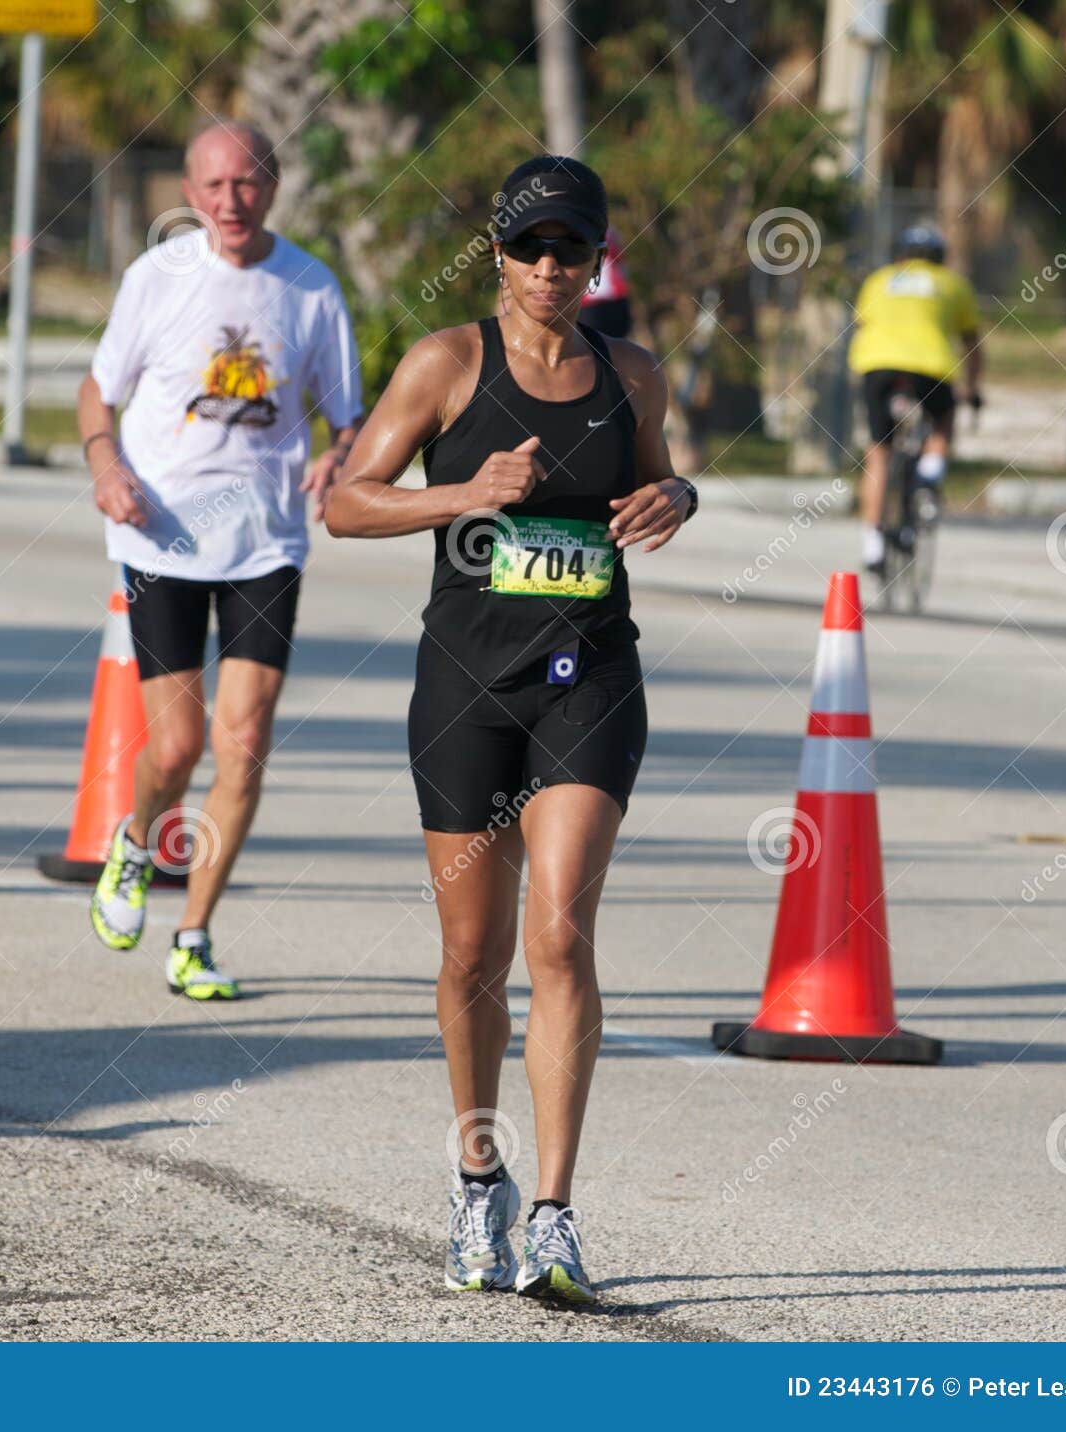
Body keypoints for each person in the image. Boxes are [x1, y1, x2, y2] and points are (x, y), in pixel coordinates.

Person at [325, 156, 696, 1303]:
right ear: (498, 253)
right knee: (470, 956)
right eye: (531, 248)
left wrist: (676, 500)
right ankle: (479, 1172)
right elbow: (342, 500)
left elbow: (661, 481)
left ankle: (554, 1213)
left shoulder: (631, 373)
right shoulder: (445, 364)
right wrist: (460, 494)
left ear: (595, 260)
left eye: (571, 250)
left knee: (559, 935)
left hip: (589, 674)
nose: (550, 269)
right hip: (465, 685)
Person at [79, 121, 363, 1000]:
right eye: (212, 186)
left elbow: (348, 415)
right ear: (191, 194)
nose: (230, 202)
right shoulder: (157, 277)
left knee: (242, 743)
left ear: (272, 187)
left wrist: (342, 454)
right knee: (179, 742)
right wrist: (104, 462)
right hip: (161, 532)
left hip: (266, 541)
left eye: (246, 184)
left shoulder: (311, 287)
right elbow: (100, 388)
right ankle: (136, 843)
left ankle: (194, 934)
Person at [848, 224, 983, 575]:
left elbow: (861, 326)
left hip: (877, 367)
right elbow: (972, 344)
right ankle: (930, 472)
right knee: (943, 418)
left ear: (901, 254)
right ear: (940, 257)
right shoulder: (952, 283)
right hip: (930, 368)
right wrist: (972, 388)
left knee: (879, 453)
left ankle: (872, 546)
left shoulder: (879, 279)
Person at [576, 226, 632, 339]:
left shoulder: (579, 229)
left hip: (593, 305)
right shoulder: (612, 232)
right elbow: (622, 265)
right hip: (614, 301)